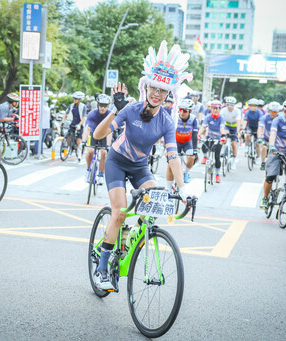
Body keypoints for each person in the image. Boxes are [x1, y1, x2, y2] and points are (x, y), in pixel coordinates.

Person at [91, 40, 193, 291]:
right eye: (153, 88)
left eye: (162, 90)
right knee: (119, 213)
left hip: (139, 167)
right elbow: (97, 135)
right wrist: (115, 110)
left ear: (169, 95)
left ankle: (126, 238)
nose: (157, 94)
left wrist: (184, 188)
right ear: (145, 86)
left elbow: (173, 156)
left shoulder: (168, 122)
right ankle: (102, 268)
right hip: (116, 161)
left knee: (155, 203)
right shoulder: (131, 109)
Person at [166, 98, 199, 185]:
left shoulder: (194, 119)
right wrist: (167, 148)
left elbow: (195, 135)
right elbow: (167, 133)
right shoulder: (175, 117)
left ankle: (186, 173)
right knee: (171, 164)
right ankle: (170, 188)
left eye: (184, 111)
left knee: (191, 157)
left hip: (187, 142)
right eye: (180, 110)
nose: (181, 113)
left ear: (190, 111)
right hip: (175, 142)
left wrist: (195, 150)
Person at [83, 94, 112, 184]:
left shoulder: (110, 114)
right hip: (93, 132)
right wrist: (84, 141)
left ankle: (101, 175)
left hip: (105, 133)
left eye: (105, 106)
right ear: (98, 105)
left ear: (108, 106)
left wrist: (108, 145)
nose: (103, 108)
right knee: (90, 151)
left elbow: (110, 132)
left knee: (104, 153)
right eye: (101, 106)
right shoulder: (92, 114)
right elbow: (87, 129)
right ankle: (88, 170)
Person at [198, 100, 226, 183]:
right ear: (211, 109)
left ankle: (217, 175)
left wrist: (223, 136)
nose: (215, 110)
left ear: (220, 109)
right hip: (209, 137)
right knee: (203, 146)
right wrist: (198, 135)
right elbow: (203, 127)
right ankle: (205, 156)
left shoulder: (221, 118)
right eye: (214, 108)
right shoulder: (208, 117)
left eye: (217, 108)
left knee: (217, 157)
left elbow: (222, 128)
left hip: (218, 138)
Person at [258, 101, 281, 170]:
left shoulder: (280, 118)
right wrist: (259, 137)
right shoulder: (265, 117)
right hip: (266, 137)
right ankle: (263, 162)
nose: (273, 113)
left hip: (276, 138)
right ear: (269, 110)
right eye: (272, 111)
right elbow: (260, 127)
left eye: (275, 112)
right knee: (264, 147)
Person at [220, 95, 241, 169]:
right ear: (226, 104)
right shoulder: (223, 110)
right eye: (228, 104)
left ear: (234, 105)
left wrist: (238, 132)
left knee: (234, 144)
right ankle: (223, 149)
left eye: (232, 105)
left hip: (234, 126)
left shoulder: (237, 111)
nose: (230, 106)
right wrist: (222, 132)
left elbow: (238, 121)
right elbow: (222, 122)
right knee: (224, 135)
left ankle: (233, 161)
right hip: (226, 125)